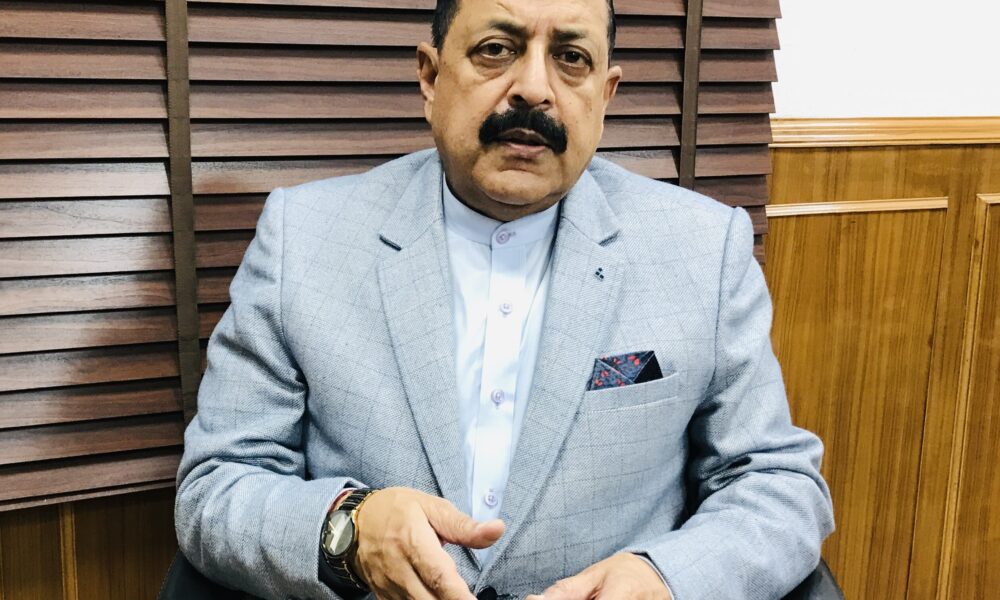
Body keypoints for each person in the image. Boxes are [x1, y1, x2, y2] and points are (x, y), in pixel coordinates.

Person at [174, 0, 834, 598]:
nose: (535, 88)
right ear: (430, 76)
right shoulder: (304, 238)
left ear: (605, 94)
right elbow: (217, 485)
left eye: (571, 58)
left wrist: (665, 580)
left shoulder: (702, 249)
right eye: (496, 49)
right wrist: (348, 531)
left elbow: (778, 484)